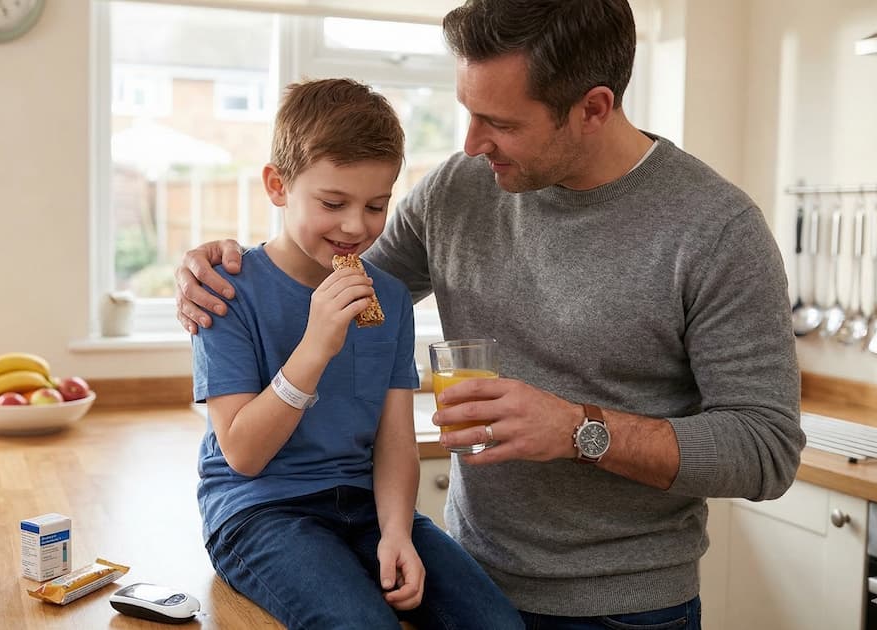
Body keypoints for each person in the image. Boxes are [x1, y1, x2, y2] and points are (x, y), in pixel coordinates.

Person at [177, 1, 805, 628]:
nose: (472, 144)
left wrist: (577, 428)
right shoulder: (460, 189)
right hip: (464, 574)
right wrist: (212, 266)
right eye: (468, 112)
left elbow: (767, 450)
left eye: (497, 121)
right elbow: (334, 272)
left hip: (626, 608)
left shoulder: (716, 230)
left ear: (592, 108)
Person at [191, 78, 523, 630]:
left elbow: (395, 441)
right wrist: (316, 344)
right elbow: (244, 455)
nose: (355, 226)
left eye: (376, 205)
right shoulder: (228, 292)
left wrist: (397, 532)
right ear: (278, 186)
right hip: (261, 511)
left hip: (367, 505)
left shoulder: (388, 297)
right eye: (332, 203)